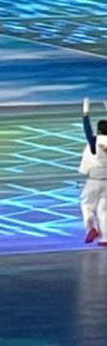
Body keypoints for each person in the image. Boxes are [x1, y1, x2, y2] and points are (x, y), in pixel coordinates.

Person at [79, 98, 107, 246]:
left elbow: (87, 129)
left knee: (87, 205)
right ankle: (105, 239)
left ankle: (90, 228)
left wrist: (85, 112)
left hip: (94, 180)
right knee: (104, 210)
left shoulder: (95, 141)